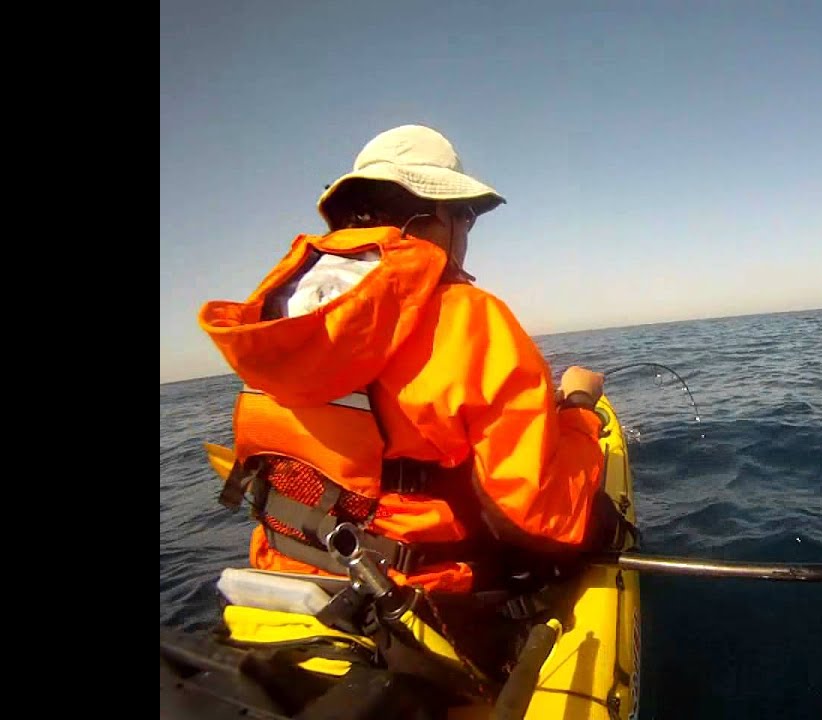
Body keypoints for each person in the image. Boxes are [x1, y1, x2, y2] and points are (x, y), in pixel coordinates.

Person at [197, 123, 633, 679]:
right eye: (466, 214)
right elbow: (540, 521)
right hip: (422, 609)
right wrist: (574, 411)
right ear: (432, 214)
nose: (469, 229)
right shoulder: (469, 318)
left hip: (280, 587)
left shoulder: (277, 322)